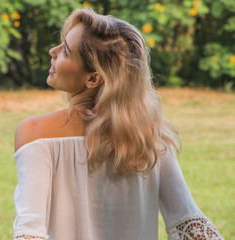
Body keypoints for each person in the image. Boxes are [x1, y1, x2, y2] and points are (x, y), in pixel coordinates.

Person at [12, 8, 224, 240]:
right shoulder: (151, 139)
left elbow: (30, 232)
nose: (53, 51)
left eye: (66, 51)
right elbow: (193, 227)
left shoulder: (35, 134)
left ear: (93, 79)